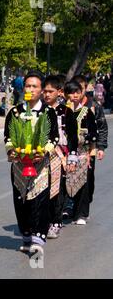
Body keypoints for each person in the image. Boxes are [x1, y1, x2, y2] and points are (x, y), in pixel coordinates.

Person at [4, 71, 59, 253]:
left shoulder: (48, 112)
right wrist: (12, 152)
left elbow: (54, 137)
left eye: (35, 86)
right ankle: (26, 235)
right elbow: (8, 137)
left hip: (40, 165)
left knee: (40, 201)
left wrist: (43, 153)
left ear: (41, 90)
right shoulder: (15, 112)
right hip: (19, 166)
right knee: (21, 202)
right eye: (28, 85)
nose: (31, 89)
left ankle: (38, 239)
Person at [42, 76, 78, 238]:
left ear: (60, 92)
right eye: (45, 91)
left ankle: (56, 221)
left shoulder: (66, 112)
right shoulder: (38, 110)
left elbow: (72, 137)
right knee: (41, 189)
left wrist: (71, 157)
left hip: (59, 155)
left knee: (57, 189)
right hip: (41, 155)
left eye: (51, 91)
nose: (47, 94)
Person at [70, 75, 108, 222]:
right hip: (70, 150)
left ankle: (82, 213)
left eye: (80, 89)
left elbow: (102, 127)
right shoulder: (66, 106)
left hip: (88, 149)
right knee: (70, 179)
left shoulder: (93, 106)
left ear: (85, 89)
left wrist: (101, 147)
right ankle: (73, 208)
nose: (76, 93)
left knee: (87, 181)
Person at [64, 81, 98, 226]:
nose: (74, 95)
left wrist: (85, 139)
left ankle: (81, 214)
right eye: (71, 92)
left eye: (77, 92)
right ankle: (65, 210)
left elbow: (94, 132)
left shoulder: (86, 112)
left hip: (82, 152)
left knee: (82, 183)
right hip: (64, 152)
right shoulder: (62, 111)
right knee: (66, 183)